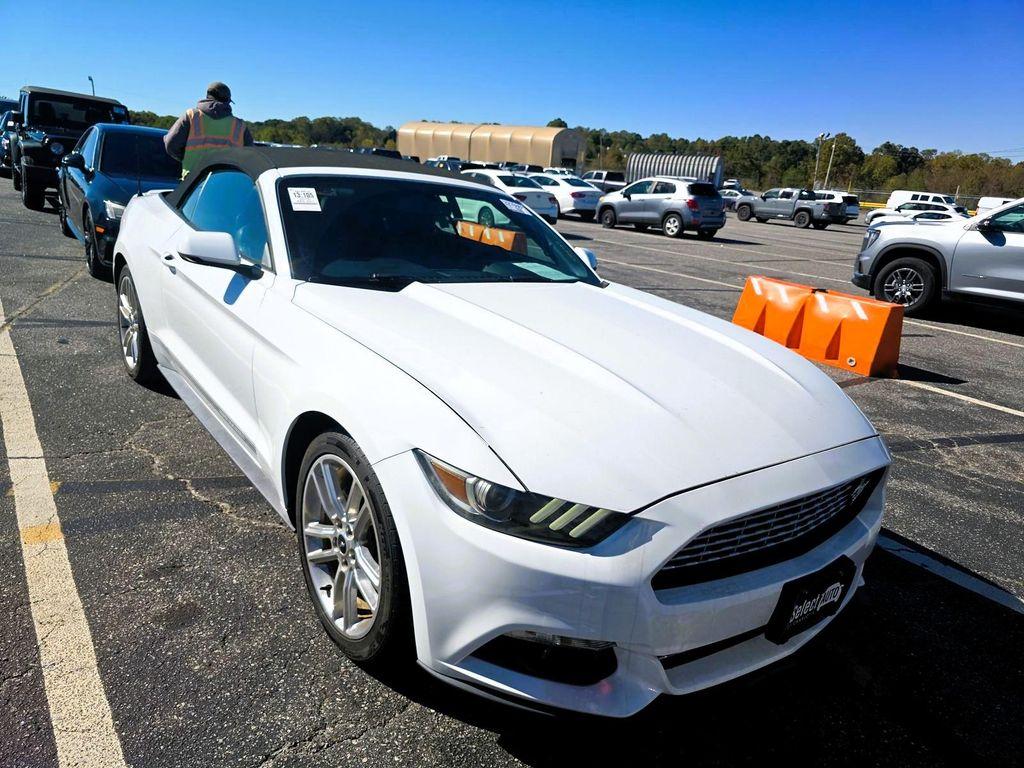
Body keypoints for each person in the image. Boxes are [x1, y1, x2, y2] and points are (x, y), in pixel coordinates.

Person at [164, 81, 254, 177]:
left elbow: (171, 145)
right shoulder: (240, 126)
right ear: (228, 101)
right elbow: (249, 157)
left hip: (192, 182)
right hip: (227, 182)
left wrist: (187, 158)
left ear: (207, 96)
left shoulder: (191, 116)